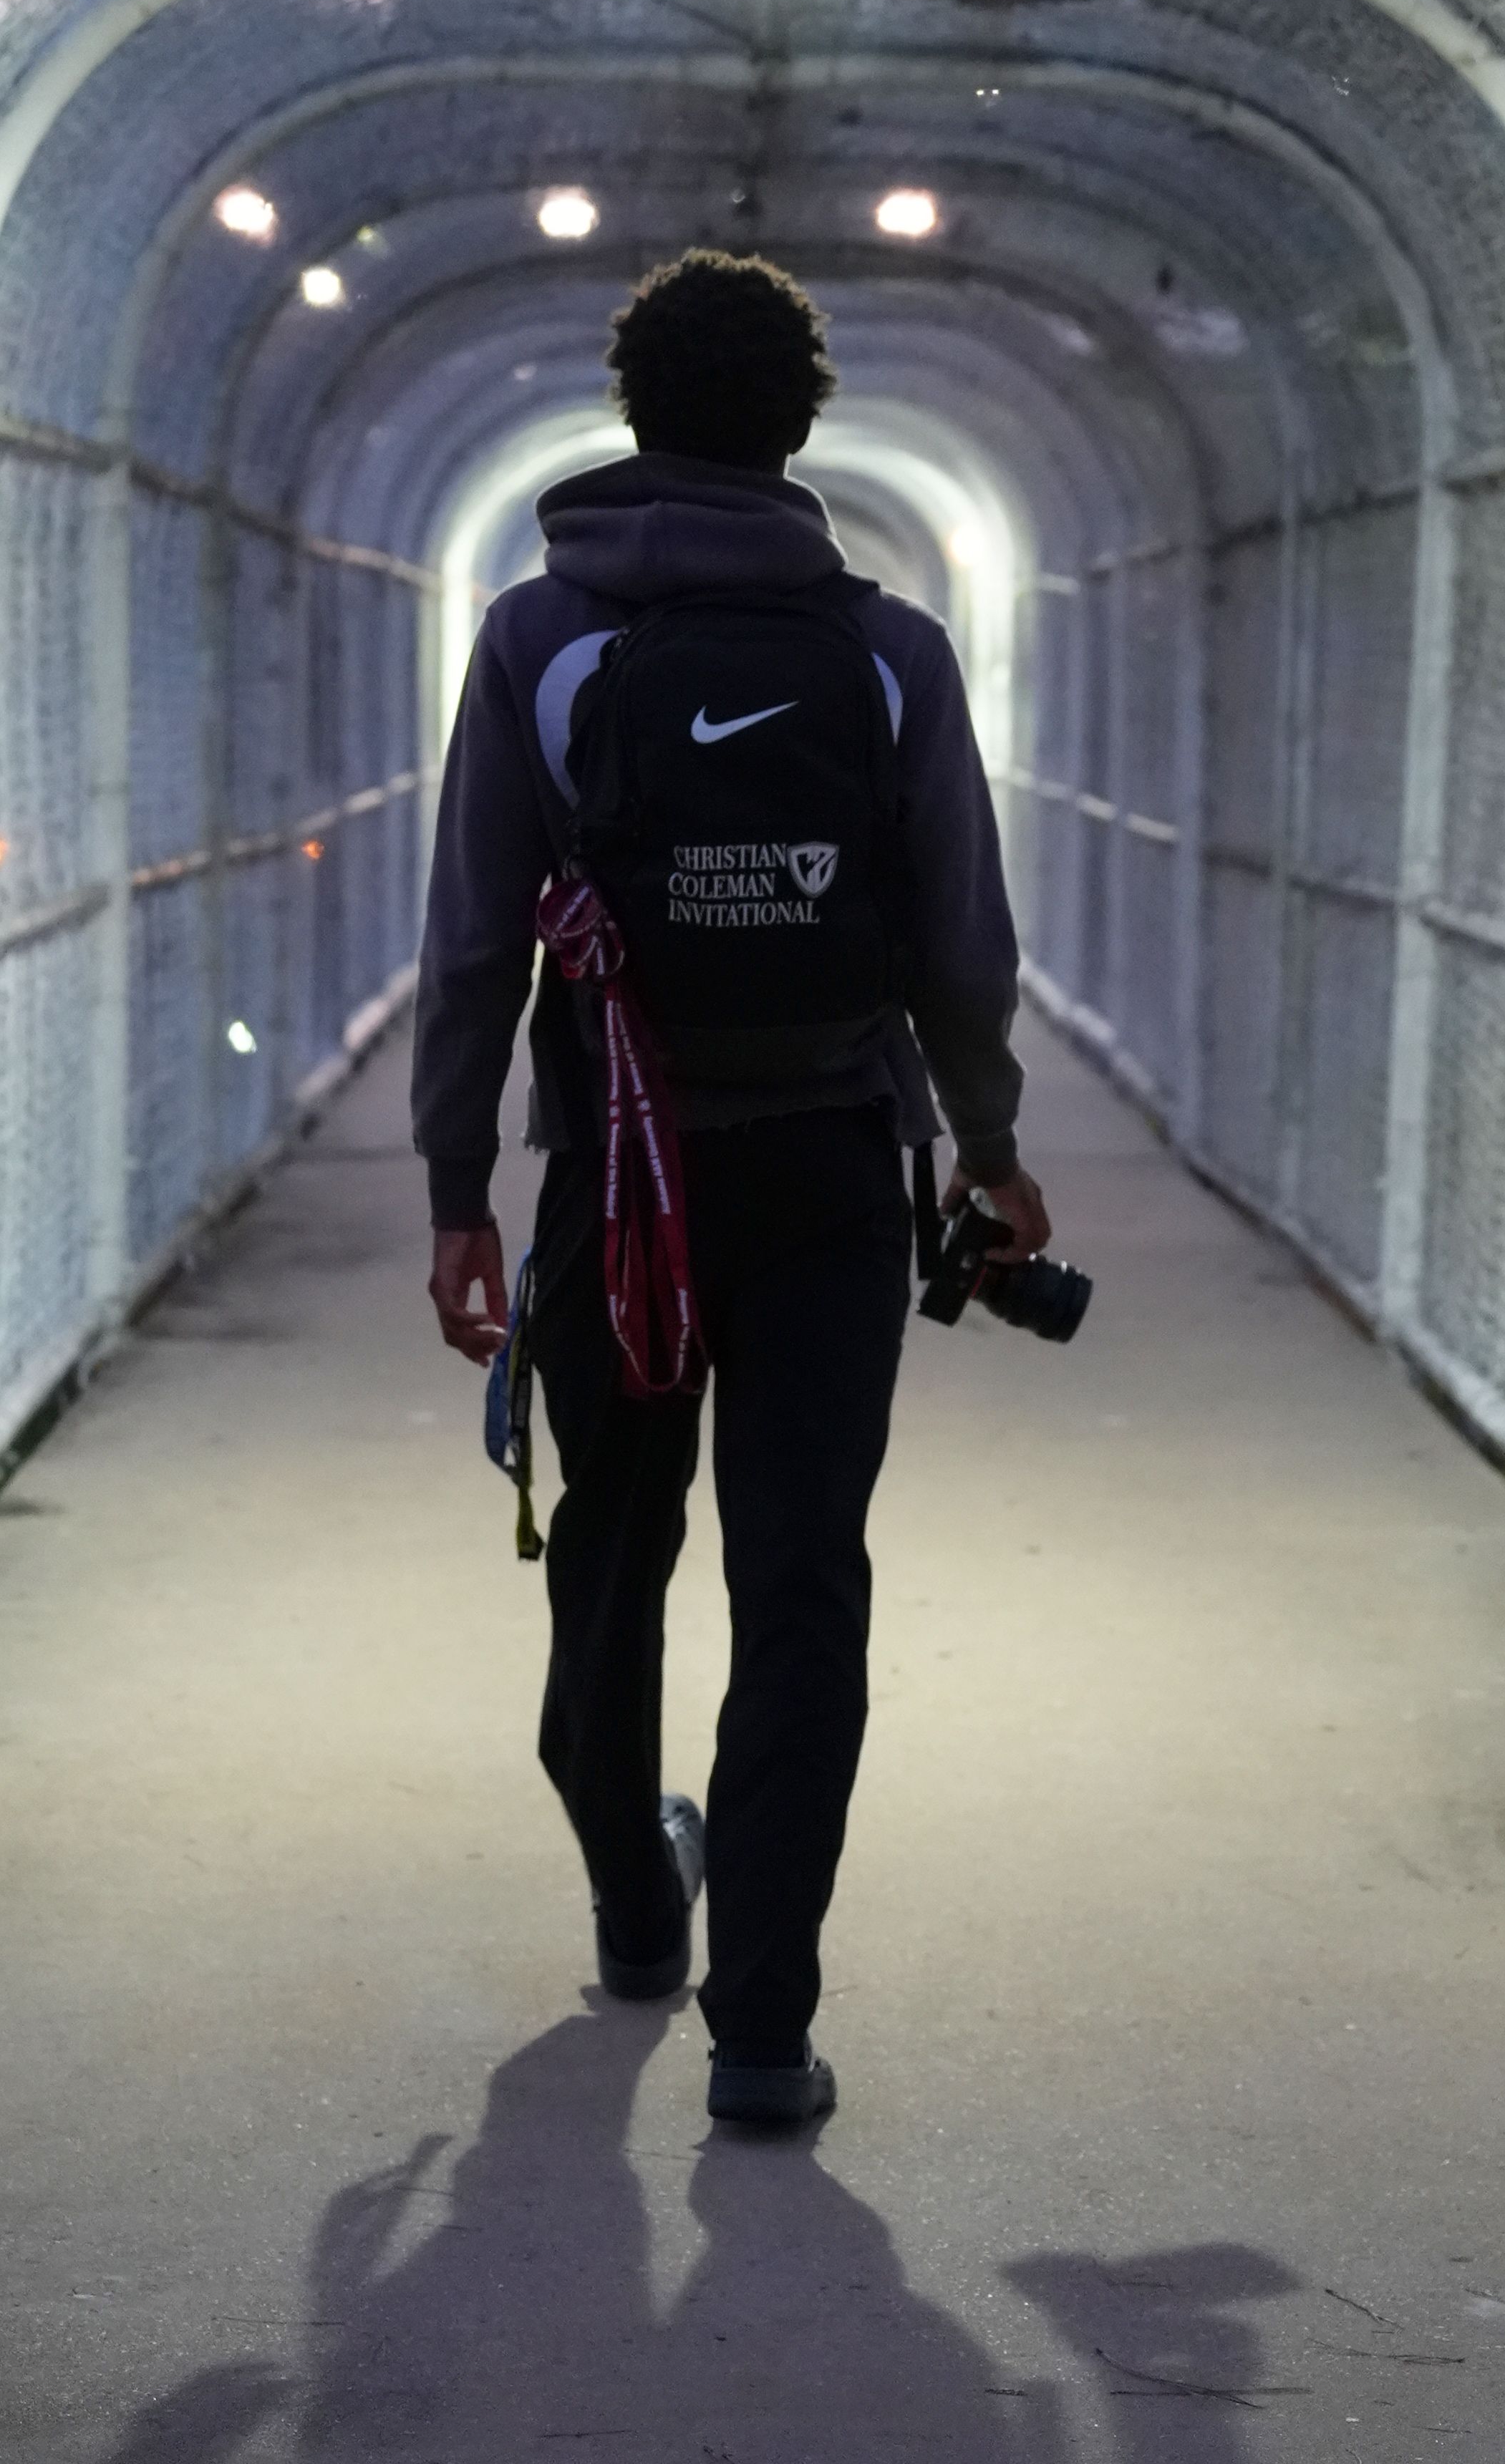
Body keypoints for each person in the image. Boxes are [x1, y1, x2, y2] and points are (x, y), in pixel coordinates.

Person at [413, 249, 1048, 2127]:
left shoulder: (543, 641)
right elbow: (962, 943)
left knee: (609, 1558)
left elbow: (471, 944)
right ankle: (761, 2034)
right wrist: (994, 1146)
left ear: (633, 417)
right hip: (835, 1171)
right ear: (804, 426)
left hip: (618, 1177)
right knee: (805, 1585)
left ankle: (633, 1900)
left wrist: (459, 1182)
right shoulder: (888, 649)